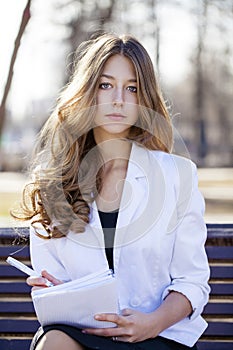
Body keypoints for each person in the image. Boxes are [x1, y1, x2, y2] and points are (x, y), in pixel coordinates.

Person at [14, 33, 210, 350]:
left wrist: (151, 323)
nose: (118, 98)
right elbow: (55, 285)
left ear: (143, 98)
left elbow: (192, 282)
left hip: (158, 336)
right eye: (106, 85)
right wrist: (52, 290)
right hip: (82, 335)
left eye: (131, 88)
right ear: (88, 93)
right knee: (55, 344)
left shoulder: (177, 176)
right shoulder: (55, 180)